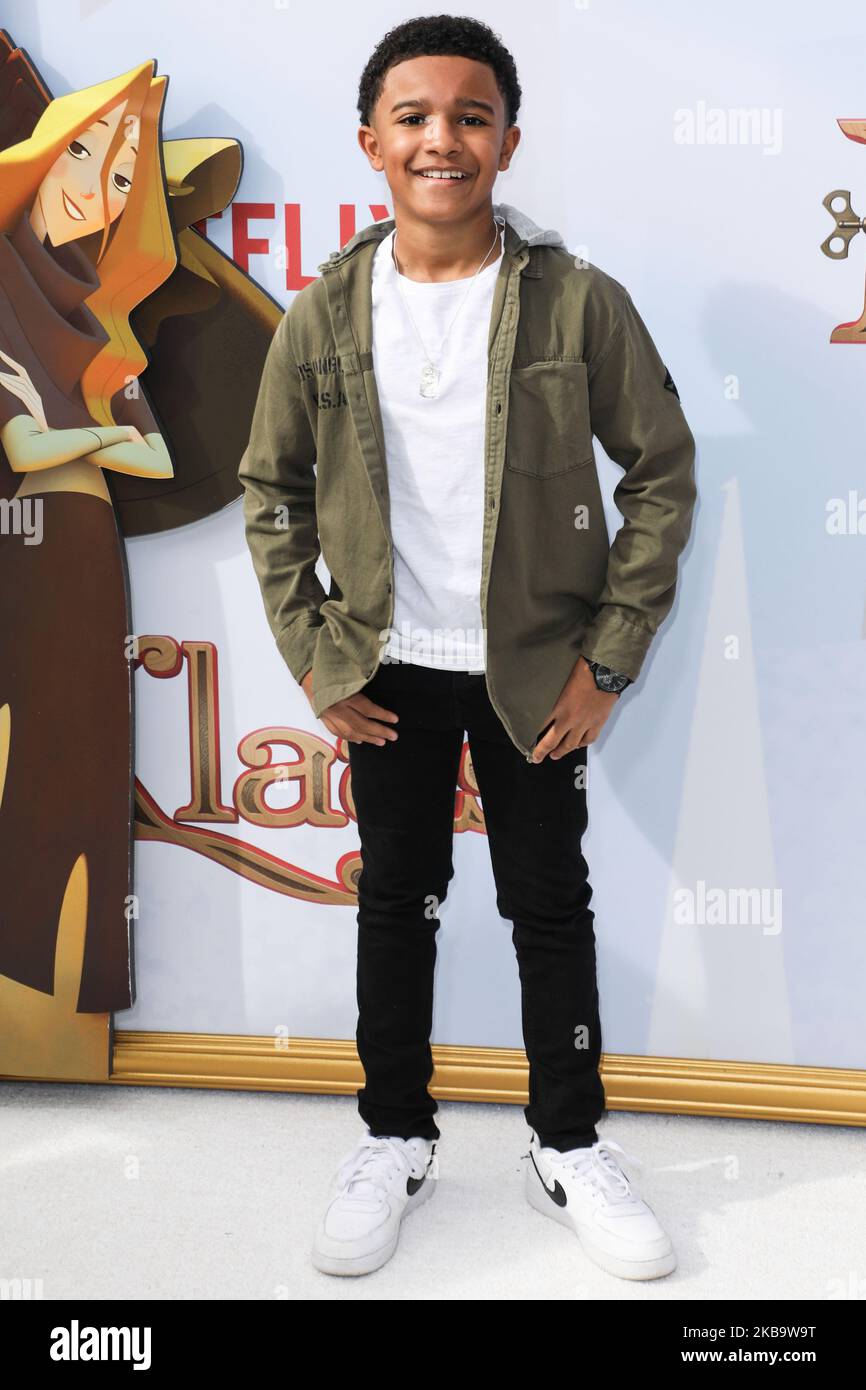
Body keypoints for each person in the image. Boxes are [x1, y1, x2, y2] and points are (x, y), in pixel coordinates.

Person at [239, 14, 696, 1282]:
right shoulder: (321, 313)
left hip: (532, 670)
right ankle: (393, 1135)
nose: (441, 138)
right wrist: (315, 656)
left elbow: (660, 474)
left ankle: (568, 1142)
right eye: (414, 117)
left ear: (506, 140)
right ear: (371, 143)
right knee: (396, 898)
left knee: (548, 902)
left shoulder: (577, 301)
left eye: (470, 116)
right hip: (384, 669)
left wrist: (606, 662)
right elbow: (268, 491)